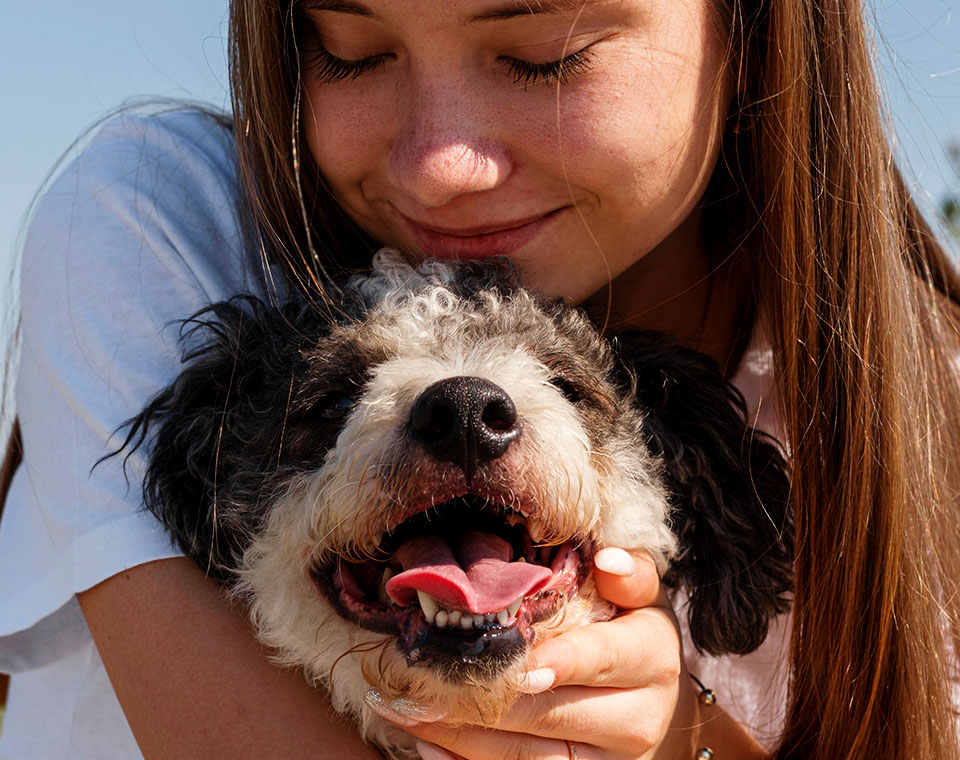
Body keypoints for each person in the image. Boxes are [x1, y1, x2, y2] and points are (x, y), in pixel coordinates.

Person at [1, 0, 958, 758]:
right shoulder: (161, 221)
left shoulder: (930, 413)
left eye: (544, 52)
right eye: (349, 46)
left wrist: (681, 738)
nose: (440, 168)